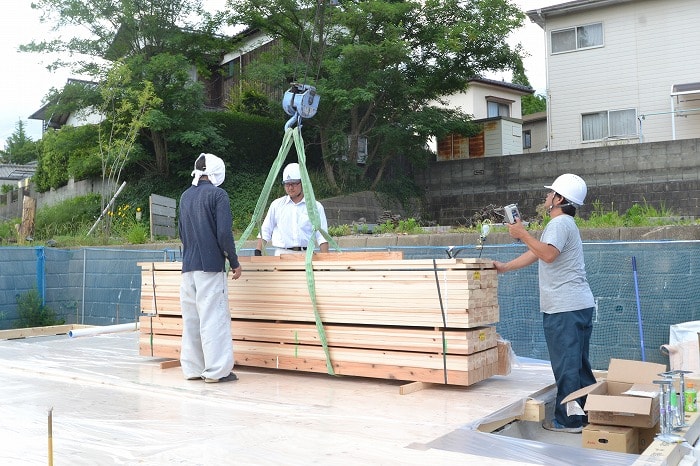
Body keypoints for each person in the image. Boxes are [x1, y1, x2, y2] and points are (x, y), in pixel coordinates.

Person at [493, 173, 596, 434]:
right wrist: (505, 267)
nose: (546, 196)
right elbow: (537, 252)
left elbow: (547, 254)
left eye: (550, 193)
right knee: (578, 365)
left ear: (559, 199)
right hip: (576, 305)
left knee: (567, 367)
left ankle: (569, 420)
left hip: (565, 308)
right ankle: (585, 414)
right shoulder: (563, 225)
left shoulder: (560, 223)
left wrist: (522, 233)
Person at [178, 152, 242, 383]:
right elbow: (224, 234)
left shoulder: (185, 196)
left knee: (192, 320)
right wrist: (234, 261)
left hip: (188, 267)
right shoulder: (218, 195)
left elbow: (182, 233)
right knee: (213, 318)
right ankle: (217, 371)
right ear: (217, 171)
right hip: (211, 267)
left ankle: (193, 369)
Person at [255, 162, 330, 256]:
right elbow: (266, 230)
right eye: (287, 184)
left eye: (294, 184)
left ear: (302, 183)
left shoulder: (315, 207)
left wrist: (325, 260)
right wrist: (258, 251)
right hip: (281, 255)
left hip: (306, 255)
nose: (290, 188)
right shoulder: (276, 205)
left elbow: (322, 236)